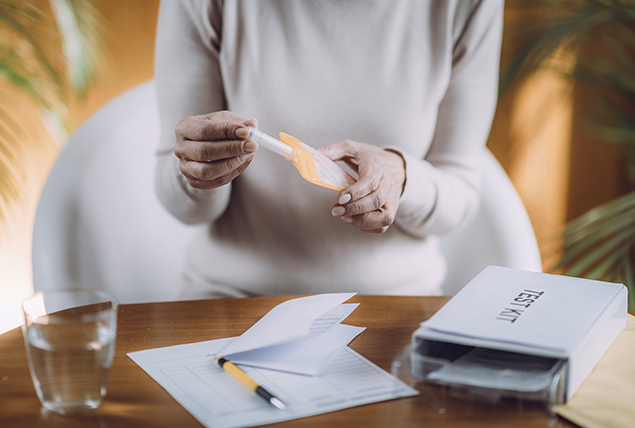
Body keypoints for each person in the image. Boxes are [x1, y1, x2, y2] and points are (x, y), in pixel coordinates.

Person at [154, 0, 503, 299]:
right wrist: (198, 172)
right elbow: (178, 198)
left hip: (397, 306)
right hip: (231, 299)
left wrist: (403, 177)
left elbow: (461, 187)